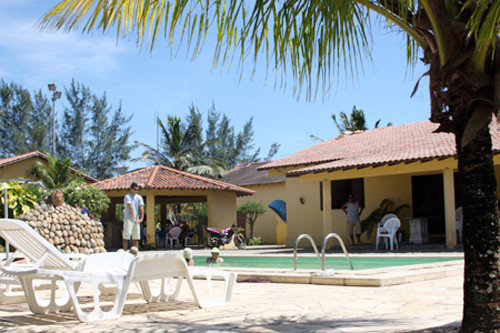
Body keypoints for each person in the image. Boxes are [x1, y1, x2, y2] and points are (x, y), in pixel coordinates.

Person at [122, 182, 144, 250]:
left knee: (136, 238)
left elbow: (141, 208)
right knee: (126, 237)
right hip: (128, 219)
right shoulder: (127, 196)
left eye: (137, 189)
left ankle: (135, 253)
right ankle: (125, 252)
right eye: (135, 189)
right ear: (131, 189)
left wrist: (141, 218)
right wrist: (132, 219)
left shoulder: (139, 197)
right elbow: (130, 207)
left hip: (136, 220)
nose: (136, 191)